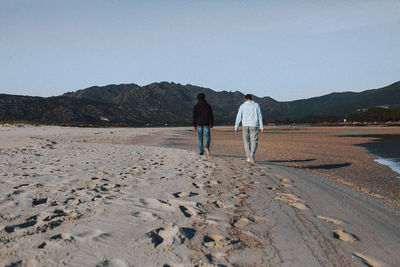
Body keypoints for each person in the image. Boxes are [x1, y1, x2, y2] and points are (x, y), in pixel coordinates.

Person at [235, 94, 264, 165]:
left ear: (245, 99)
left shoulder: (242, 106)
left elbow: (238, 117)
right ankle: (252, 154)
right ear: (251, 99)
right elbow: (260, 116)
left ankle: (248, 158)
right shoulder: (256, 105)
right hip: (254, 125)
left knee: (246, 142)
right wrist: (261, 127)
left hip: (245, 125)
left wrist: (236, 127)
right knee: (254, 141)